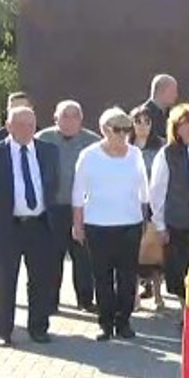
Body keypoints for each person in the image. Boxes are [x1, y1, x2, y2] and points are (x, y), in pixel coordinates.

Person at [0, 106, 60, 347]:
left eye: (31, 124)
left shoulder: (49, 151)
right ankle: (2, 331)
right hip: (8, 226)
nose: (27, 129)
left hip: (40, 225)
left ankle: (39, 328)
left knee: (40, 280)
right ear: (8, 126)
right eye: (20, 124)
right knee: (5, 280)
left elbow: (53, 183)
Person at [73, 107, 149, 341]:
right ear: (105, 130)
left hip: (130, 224)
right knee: (102, 277)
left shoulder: (135, 154)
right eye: (118, 130)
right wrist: (78, 225)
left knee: (127, 277)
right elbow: (78, 193)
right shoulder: (89, 155)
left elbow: (144, 190)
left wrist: (145, 219)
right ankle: (105, 323)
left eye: (127, 129)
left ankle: (123, 321)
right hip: (98, 225)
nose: (123, 135)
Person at [35, 100, 101, 313]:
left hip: (82, 207)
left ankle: (85, 300)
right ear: (56, 119)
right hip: (53, 207)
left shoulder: (93, 142)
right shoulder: (42, 139)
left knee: (83, 257)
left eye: (75, 116)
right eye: (65, 116)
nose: (70, 120)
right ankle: (50, 301)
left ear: (81, 120)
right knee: (52, 257)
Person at [150, 104, 189, 304]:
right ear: (175, 127)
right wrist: (160, 225)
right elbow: (157, 191)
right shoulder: (167, 154)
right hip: (177, 221)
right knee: (179, 270)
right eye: (184, 123)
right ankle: (185, 309)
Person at [130, 103, 165, 306]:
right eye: (138, 121)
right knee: (135, 251)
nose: (143, 126)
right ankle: (135, 296)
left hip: (154, 204)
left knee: (156, 253)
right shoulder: (126, 147)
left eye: (147, 122)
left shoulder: (160, 146)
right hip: (132, 205)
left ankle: (159, 295)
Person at [138, 74, 178, 143]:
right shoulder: (142, 115)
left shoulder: (172, 115)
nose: (176, 95)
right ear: (162, 91)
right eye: (173, 91)